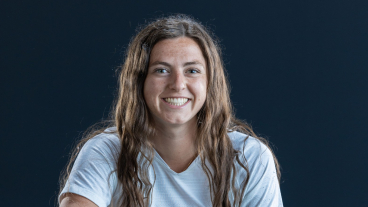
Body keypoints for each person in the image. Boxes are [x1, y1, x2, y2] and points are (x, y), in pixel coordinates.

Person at [58, 14, 283, 207]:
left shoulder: (249, 157)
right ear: (140, 81)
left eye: (192, 71)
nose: (177, 84)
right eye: (161, 70)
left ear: (210, 83)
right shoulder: (106, 151)